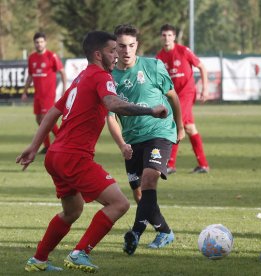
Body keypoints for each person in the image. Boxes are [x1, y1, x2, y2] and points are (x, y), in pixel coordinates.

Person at [17, 31, 168, 273]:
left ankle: (38, 259)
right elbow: (113, 104)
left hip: (56, 156)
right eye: (112, 51)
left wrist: (34, 147)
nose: (117, 54)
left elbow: (53, 113)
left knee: (72, 210)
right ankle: (79, 253)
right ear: (98, 55)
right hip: (73, 156)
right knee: (119, 203)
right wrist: (150, 110)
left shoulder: (81, 78)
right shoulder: (100, 76)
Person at [106, 24, 184, 256]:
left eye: (131, 45)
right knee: (139, 192)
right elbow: (110, 118)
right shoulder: (109, 78)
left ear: (136, 45)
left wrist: (179, 126)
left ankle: (136, 233)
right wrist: (122, 144)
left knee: (150, 179)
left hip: (159, 132)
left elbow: (172, 96)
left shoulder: (153, 66)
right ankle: (165, 231)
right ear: (115, 48)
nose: (127, 51)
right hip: (132, 139)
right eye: (121, 46)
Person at [156, 23, 209, 174]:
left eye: (170, 35)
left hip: (187, 92)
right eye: (164, 35)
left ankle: (170, 164)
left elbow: (202, 67)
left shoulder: (183, 51)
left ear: (174, 37)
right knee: (190, 128)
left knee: (175, 124)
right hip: (172, 96)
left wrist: (205, 88)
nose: (167, 38)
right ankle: (203, 165)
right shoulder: (159, 57)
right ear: (161, 37)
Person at [22, 32, 67, 154]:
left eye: (41, 42)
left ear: (45, 42)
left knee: (46, 120)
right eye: (37, 42)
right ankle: (47, 145)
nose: (39, 44)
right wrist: (25, 91)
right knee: (38, 119)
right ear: (34, 44)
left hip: (48, 94)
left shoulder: (51, 56)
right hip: (38, 95)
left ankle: (63, 142)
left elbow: (62, 72)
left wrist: (64, 89)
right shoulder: (31, 58)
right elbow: (30, 76)